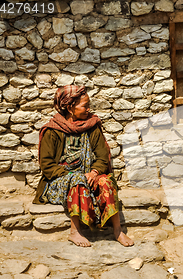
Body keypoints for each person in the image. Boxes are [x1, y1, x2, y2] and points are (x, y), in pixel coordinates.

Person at [34, 85, 134, 248]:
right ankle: (75, 231)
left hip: (90, 176)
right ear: (69, 107)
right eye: (84, 106)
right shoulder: (52, 131)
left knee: (107, 182)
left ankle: (117, 230)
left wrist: (94, 172)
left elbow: (102, 157)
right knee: (78, 181)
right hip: (59, 180)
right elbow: (47, 165)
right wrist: (71, 175)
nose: (89, 109)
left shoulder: (92, 126)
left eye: (89, 105)